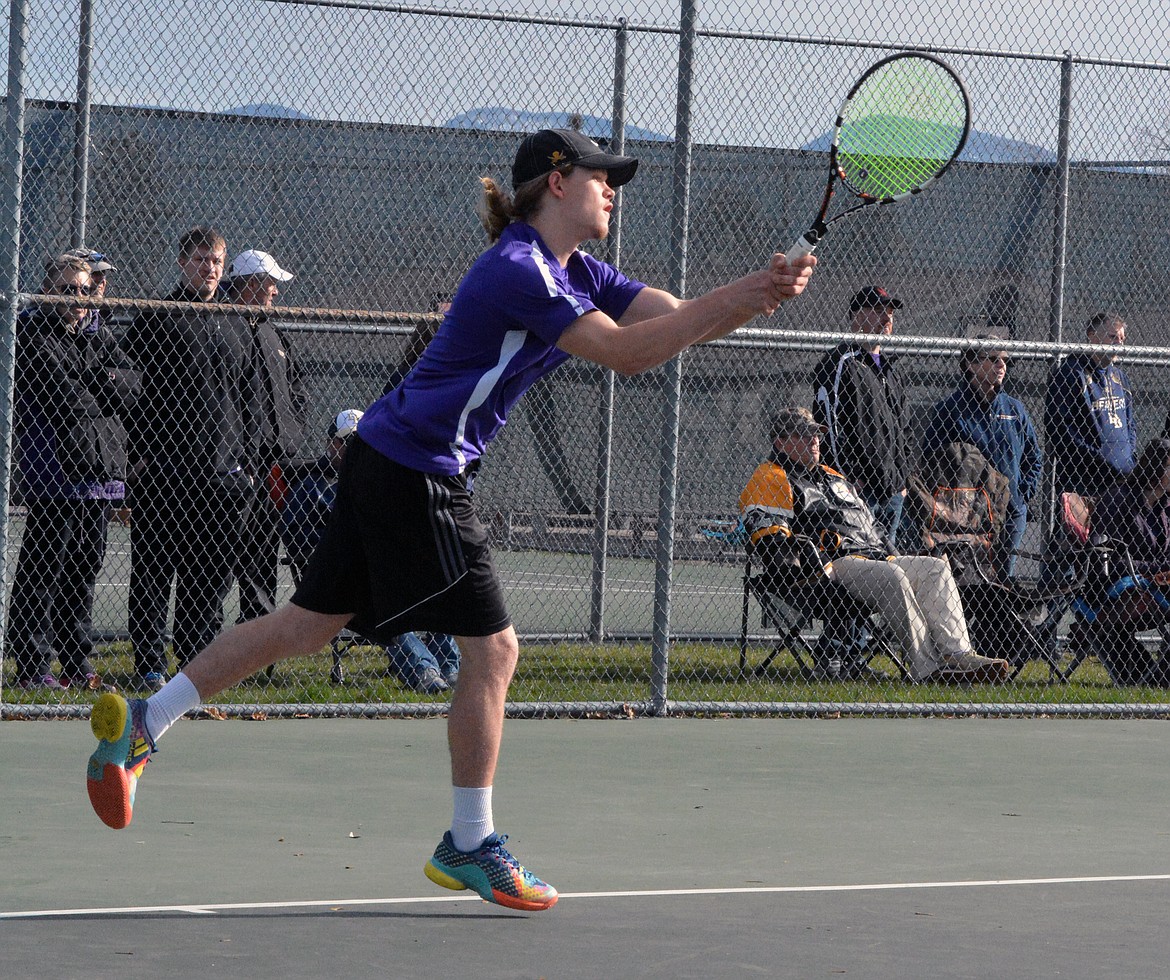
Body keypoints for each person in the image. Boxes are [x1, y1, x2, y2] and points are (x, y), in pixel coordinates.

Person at [84, 127, 816, 912]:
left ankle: (142, 724)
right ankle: (469, 844)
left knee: (302, 628)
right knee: (495, 652)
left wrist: (757, 295)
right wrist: (744, 292)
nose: (615, 190)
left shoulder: (576, 268)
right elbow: (630, 353)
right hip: (417, 470)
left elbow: (669, 321)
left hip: (388, 458)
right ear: (557, 183)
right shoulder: (519, 269)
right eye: (604, 177)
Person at [739, 407, 1011, 685]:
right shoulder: (771, 476)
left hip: (874, 558)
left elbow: (871, 525)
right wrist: (810, 569)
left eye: (817, 434)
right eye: (804, 435)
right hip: (832, 567)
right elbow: (770, 539)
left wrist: (890, 552)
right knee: (893, 578)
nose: (815, 440)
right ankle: (929, 670)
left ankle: (959, 656)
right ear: (781, 442)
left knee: (935, 568)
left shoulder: (832, 475)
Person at [123, 226, 253, 691]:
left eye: (217, 261)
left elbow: (249, 398)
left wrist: (248, 464)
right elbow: (129, 392)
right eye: (201, 260)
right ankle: (151, 664)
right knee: (155, 571)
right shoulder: (157, 317)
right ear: (182, 263)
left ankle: (196, 666)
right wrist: (137, 460)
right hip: (165, 471)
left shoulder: (237, 323)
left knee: (208, 576)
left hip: (223, 476)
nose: (210, 269)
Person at [7, 254, 140, 689]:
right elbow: (64, 398)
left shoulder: (95, 332)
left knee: (85, 568)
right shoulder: (32, 332)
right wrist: (105, 383)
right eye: (68, 290)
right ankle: (32, 666)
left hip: (98, 474)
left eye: (85, 290)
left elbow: (134, 389)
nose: (79, 299)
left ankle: (76, 661)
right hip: (55, 474)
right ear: (49, 291)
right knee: (44, 570)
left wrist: (100, 381)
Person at [280, 409, 460, 691]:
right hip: (345, 581)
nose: (357, 450)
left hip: (391, 573)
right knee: (386, 608)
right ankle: (425, 672)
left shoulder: (383, 482)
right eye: (348, 442)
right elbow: (298, 540)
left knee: (439, 588)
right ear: (332, 445)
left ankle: (451, 671)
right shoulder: (310, 488)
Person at [220, 249, 308, 624]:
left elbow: (299, 387)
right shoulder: (227, 327)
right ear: (252, 285)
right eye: (271, 284)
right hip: (236, 463)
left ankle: (257, 632)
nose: (275, 292)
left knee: (263, 549)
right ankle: (207, 643)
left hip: (276, 464)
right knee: (224, 553)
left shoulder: (274, 332)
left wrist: (292, 432)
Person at [922, 335, 1042, 579]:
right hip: (969, 517)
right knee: (969, 582)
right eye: (993, 358)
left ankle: (996, 617)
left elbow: (1034, 456)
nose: (1002, 365)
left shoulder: (1013, 409)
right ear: (971, 364)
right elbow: (931, 459)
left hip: (1010, 511)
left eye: (1005, 360)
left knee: (1002, 578)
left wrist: (1022, 492)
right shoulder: (951, 409)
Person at [812, 285, 912, 546]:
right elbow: (828, 426)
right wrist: (845, 479)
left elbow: (905, 429)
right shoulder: (840, 362)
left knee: (886, 564)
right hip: (856, 490)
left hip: (892, 492)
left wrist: (902, 481)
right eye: (878, 310)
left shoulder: (891, 369)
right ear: (856, 316)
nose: (887, 318)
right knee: (859, 563)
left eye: (890, 312)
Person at [1084, 438, 1170, 685]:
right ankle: (1159, 678)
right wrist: (1156, 568)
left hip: (1156, 582)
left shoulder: (1165, 506)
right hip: (1117, 586)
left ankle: (1161, 675)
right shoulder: (1118, 499)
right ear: (1157, 468)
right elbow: (1109, 559)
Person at [1045, 312, 1136, 500]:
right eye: (1112, 337)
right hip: (1084, 481)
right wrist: (1100, 458)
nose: (1119, 344)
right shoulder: (1071, 373)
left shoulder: (1120, 377)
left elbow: (1130, 424)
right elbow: (1060, 429)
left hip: (1121, 479)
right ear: (1092, 335)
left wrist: (1129, 455)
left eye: (1121, 338)